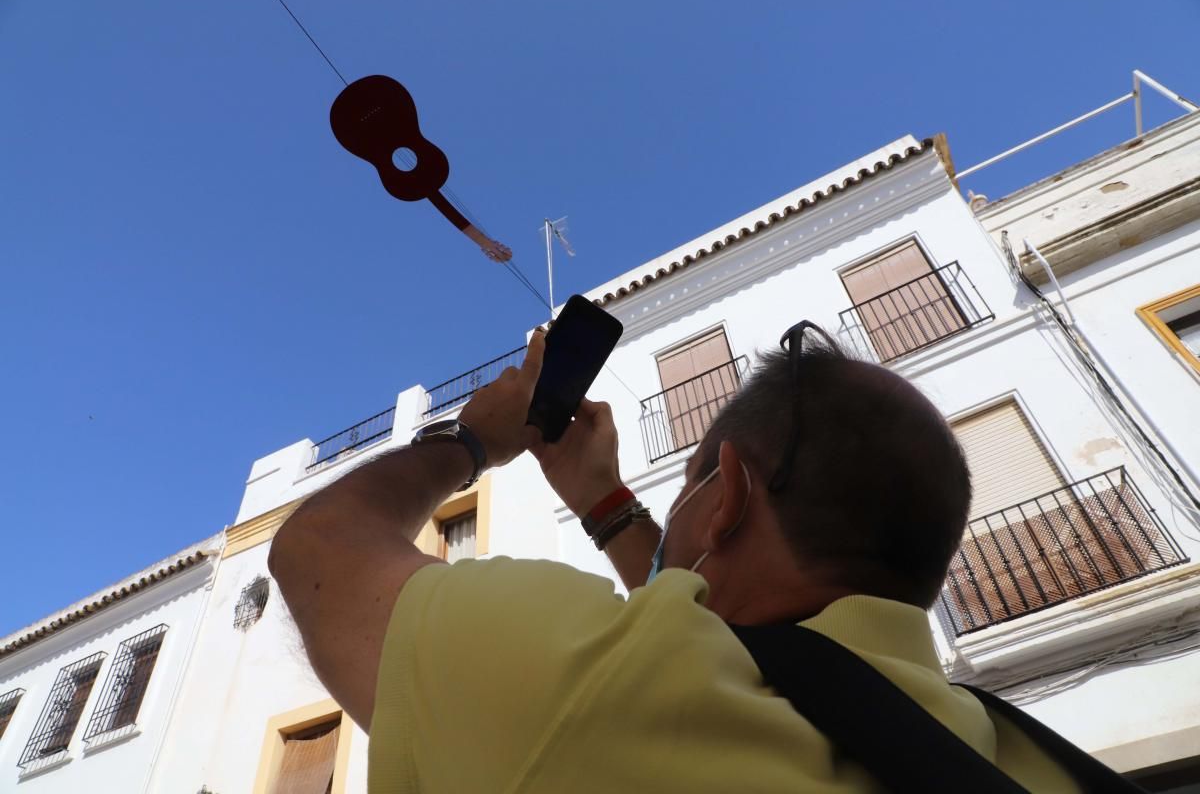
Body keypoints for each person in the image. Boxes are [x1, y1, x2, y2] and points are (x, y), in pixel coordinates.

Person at [268, 322, 1089, 792]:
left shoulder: (606, 691)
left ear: (727, 496)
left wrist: (472, 443)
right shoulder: (1006, 748)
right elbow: (726, 639)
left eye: (694, 479)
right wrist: (605, 503)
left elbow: (316, 550)